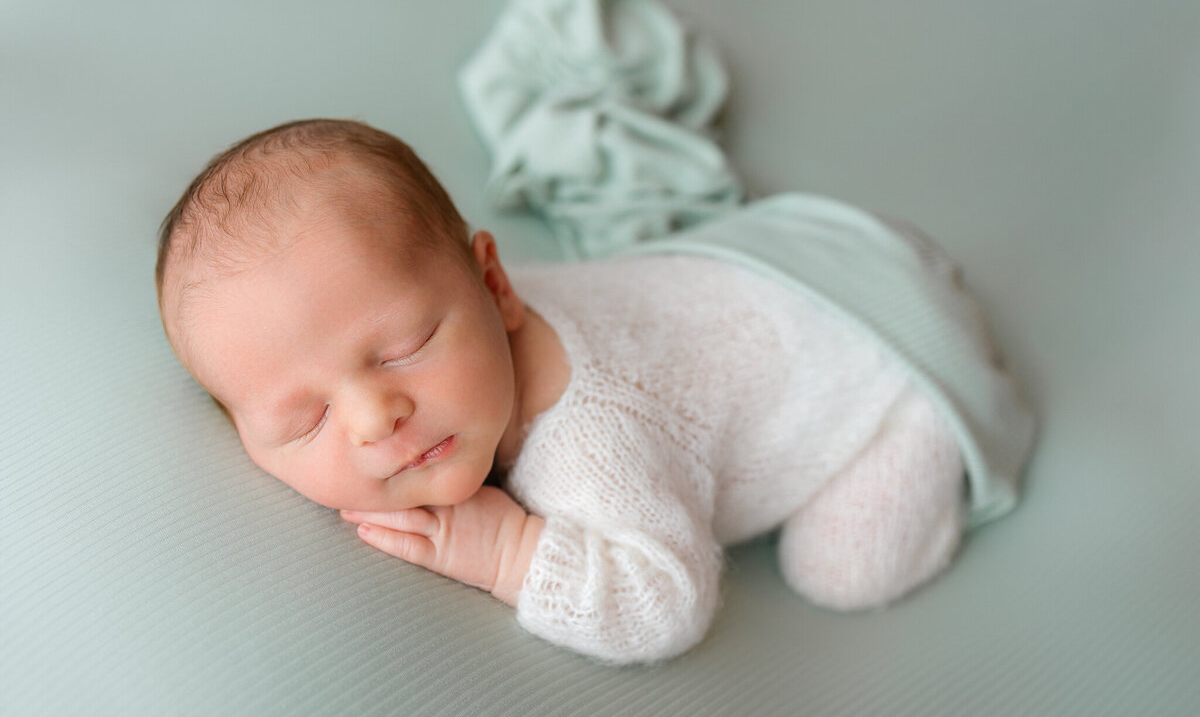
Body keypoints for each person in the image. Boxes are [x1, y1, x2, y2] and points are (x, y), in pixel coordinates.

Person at [156, 118, 979, 664]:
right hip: (766, 279)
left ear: (495, 284)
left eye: (405, 348)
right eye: (306, 419)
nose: (377, 417)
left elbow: (670, 602)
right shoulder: (462, 311)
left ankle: (928, 427)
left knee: (843, 571)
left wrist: (510, 553)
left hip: (876, 350)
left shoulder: (591, 443)